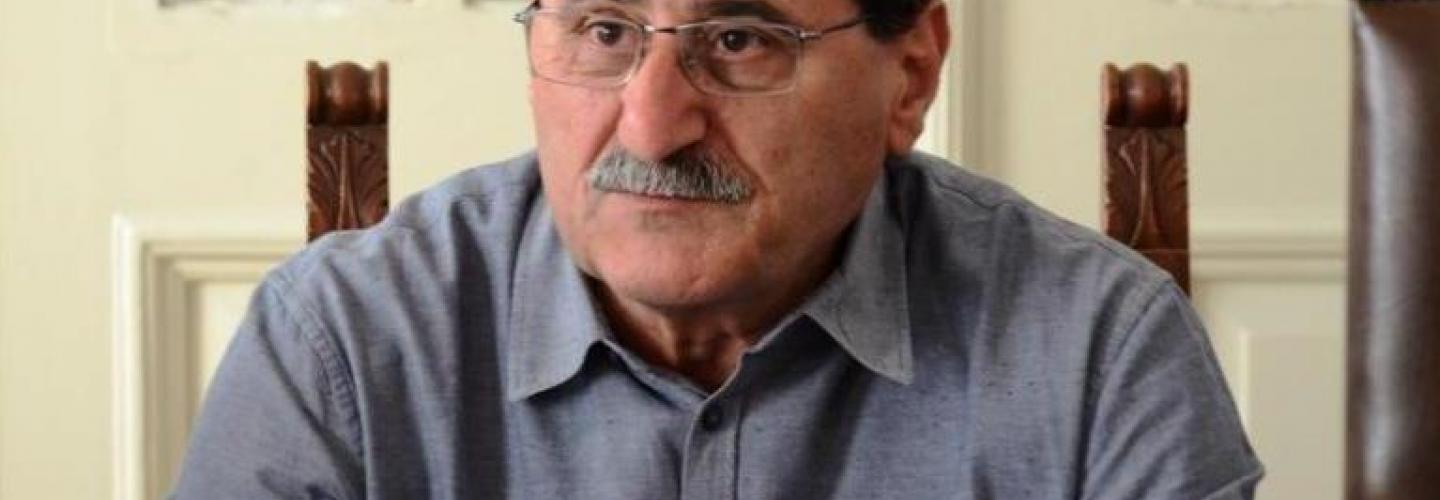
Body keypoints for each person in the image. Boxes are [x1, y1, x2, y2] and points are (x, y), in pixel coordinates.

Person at [172, 0, 1263, 498]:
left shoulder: (1097, 354)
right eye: (605, 31)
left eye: (740, 39)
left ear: (912, 73)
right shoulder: (342, 342)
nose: (652, 125)